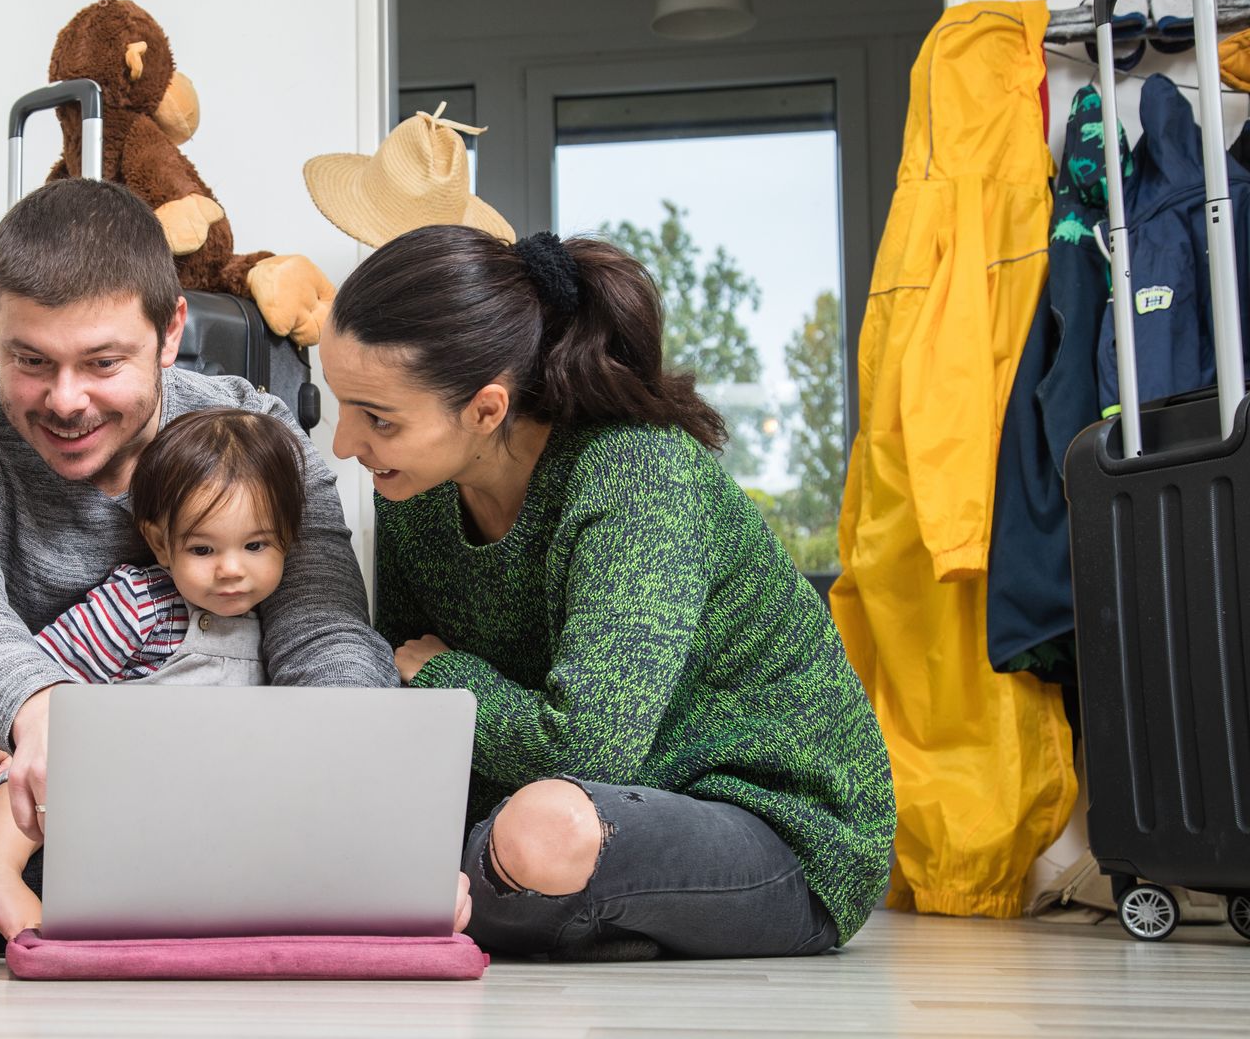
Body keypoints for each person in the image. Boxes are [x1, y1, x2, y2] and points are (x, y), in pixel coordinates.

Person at [319, 225, 895, 961]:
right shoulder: (415, 493)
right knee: (424, 853)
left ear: (487, 409)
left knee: (541, 833)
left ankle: (532, 901)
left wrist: (443, 676)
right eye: (343, 405)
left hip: (778, 823)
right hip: (579, 800)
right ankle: (555, 909)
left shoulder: (636, 472)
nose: (343, 443)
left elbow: (590, 744)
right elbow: (422, 722)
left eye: (378, 418)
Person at [0, 178, 396, 867]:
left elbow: (321, 625)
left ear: (169, 332)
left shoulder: (260, 434)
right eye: (30, 361)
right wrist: (40, 709)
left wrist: (355, 781)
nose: (65, 400)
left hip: (199, 773)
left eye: (103, 363)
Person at [0, 407, 306, 940]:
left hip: (188, 812)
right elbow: (38, 676)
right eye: (203, 549)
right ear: (161, 543)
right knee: (63, 747)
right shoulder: (140, 604)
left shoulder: (275, 629)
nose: (232, 569)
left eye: (256, 546)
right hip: (109, 792)